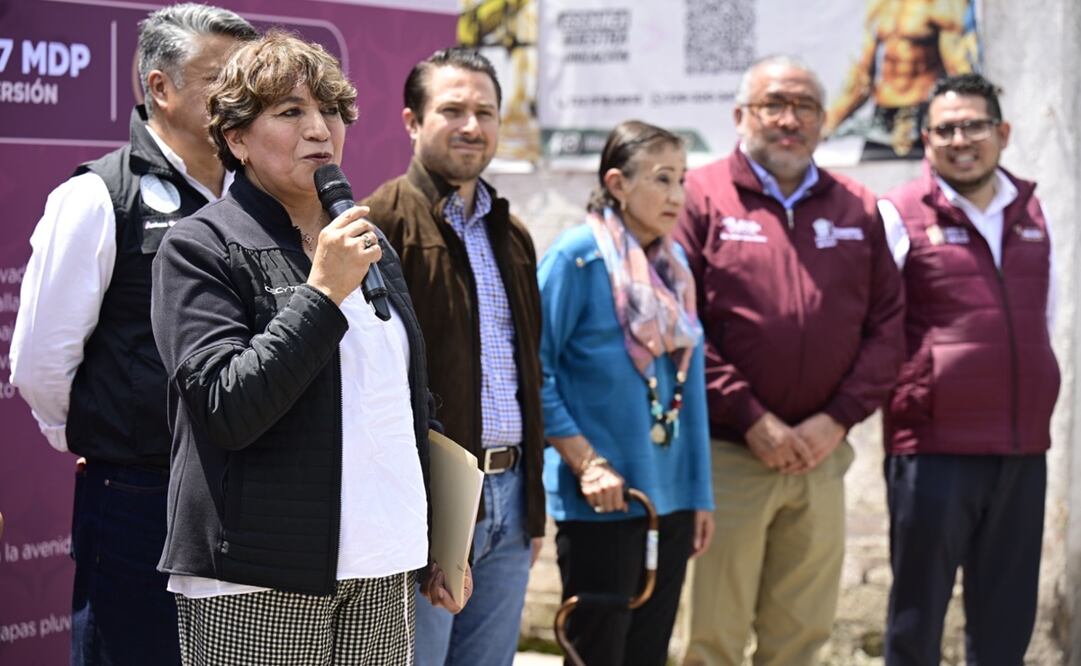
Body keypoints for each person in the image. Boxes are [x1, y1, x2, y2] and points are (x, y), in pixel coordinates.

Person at [149, 32, 468, 664]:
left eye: (329, 111)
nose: (320, 129)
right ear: (236, 138)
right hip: (260, 579)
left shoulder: (364, 240)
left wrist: (441, 537)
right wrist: (322, 293)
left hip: (383, 569)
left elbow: (403, 401)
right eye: (291, 112)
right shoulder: (199, 247)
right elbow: (226, 407)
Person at [9, 5, 256, 663]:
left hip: (250, 499)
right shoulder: (97, 198)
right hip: (137, 499)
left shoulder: (259, 198)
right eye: (219, 79)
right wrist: (103, 435)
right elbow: (39, 363)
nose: (240, 98)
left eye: (247, 80)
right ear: (159, 88)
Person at [675, 55, 905, 666]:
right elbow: (681, 325)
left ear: (825, 121)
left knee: (800, 640)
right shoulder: (699, 198)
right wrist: (752, 417)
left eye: (804, 106)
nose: (789, 119)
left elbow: (888, 327)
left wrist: (836, 421)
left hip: (821, 458)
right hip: (729, 454)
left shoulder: (857, 205)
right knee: (713, 639)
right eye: (773, 103)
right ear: (739, 116)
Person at [362, 47, 545, 666]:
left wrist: (533, 508)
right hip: (428, 504)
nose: (472, 125)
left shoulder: (511, 232)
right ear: (413, 120)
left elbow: (528, 376)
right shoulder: (378, 224)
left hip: (512, 499)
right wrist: (427, 517)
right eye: (453, 110)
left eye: (485, 112)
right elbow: (369, 388)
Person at [878, 73, 1059, 665]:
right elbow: (876, 328)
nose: (961, 139)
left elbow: (1044, 320)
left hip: (1021, 449)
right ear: (925, 141)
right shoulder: (898, 214)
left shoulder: (1034, 214)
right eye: (945, 129)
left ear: (1001, 132)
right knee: (916, 618)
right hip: (933, 448)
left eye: (974, 125)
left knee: (1006, 620)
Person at [538, 120, 715, 665]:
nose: (677, 196)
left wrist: (700, 493)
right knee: (598, 653)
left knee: (648, 655)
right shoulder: (577, 258)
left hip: (672, 500)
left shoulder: (674, 267)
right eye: (662, 179)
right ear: (616, 183)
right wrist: (586, 461)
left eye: (682, 179)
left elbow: (691, 389)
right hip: (605, 501)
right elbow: (533, 370)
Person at [824, 0, 976, 158]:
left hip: (921, 114)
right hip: (882, 119)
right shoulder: (880, 5)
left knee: (928, 178)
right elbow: (861, 77)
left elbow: (957, 68)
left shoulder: (940, 4)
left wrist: (970, 120)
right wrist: (828, 124)